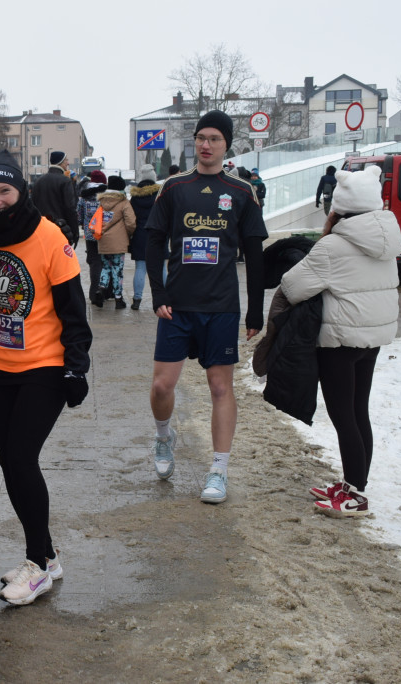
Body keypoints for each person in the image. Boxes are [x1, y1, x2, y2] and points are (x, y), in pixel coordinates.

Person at [0, 151, 91, 605]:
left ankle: (37, 568)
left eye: (5, 191)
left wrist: (75, 366)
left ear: (21, 191)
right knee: (11, 464)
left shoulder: (47, 237)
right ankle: (49, 555)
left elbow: (74, 314)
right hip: (2, 366)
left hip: (46, 366)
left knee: (21, 459)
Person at [145, 110, 267, 504]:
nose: (206, 144)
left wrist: (255, 310)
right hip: (177, 306)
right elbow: (153, 240)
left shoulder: (243, 192)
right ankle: (164, 438)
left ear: (226, 144)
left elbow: (255, 253)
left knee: (220, 387)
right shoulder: (175, 187)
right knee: (163, 385)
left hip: (221, 306)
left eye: (214, 138)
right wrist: (159, 293)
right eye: (201, 137)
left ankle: (218, 470)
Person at [280, 166, 401, 517]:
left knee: (343, 416)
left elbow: (292, 286)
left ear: (339, 208)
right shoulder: (387, 237)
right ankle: (354, 486)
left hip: (339, 340)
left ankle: (355, 498)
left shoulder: (333, 245)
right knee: (359, 412)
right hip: (372, 338)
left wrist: (320, 239)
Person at [91, 175, 136, 309]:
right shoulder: (124, 202)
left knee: (105, 267)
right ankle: (118, 299)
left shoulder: (102, 202)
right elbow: (131, 222)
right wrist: (128, 234)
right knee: (117, 270)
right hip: (118, 242)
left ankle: (101, 288)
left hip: (103, 240)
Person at [129, 164, 161, 311]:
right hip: (158, 232)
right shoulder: (160, 193)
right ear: (154, 176)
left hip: (140, 234)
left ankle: (137, 299)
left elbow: (131, 217)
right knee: (161, 268)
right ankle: (164, 297)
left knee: (140, 268)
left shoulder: (135, 196)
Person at [30, 150, 79, 245]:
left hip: (41, 229)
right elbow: (70, 208)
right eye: (66, 160)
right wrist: (74, 232)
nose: (68, 163)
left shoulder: (38, 181)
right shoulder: (65, 181)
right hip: (60, 230)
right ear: (60, 162)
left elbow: (32, 206)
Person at [77, 170, 106, 306]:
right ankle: (106, 290)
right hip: (105, 234)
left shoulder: (84, 197)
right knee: (106, 262)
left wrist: (85, 224)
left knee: (94, 263)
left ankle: (93, 293)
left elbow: (79, 215)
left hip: (90, 234)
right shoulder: (106, 196)